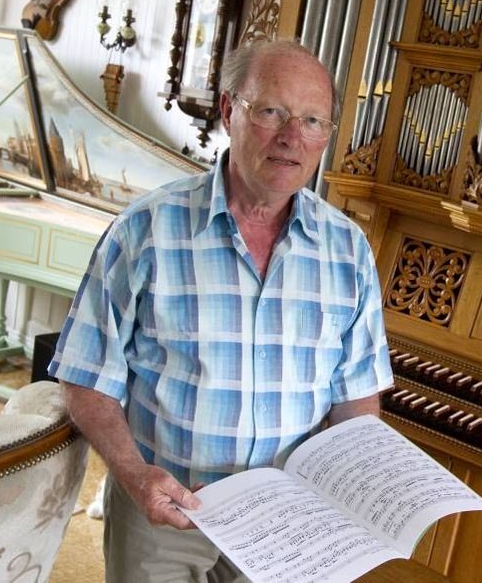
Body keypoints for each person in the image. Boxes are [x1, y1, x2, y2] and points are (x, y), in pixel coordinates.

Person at [48, 39, 394, 582]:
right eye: (272, 111)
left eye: (312, 121)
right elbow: (85, 377)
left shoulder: (348, 251)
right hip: (166, 512)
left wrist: (351, 492)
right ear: (230, 111)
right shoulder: (145, 231)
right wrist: (134, 474)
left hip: (283, 522)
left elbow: (355, 399)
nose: (291, 137)